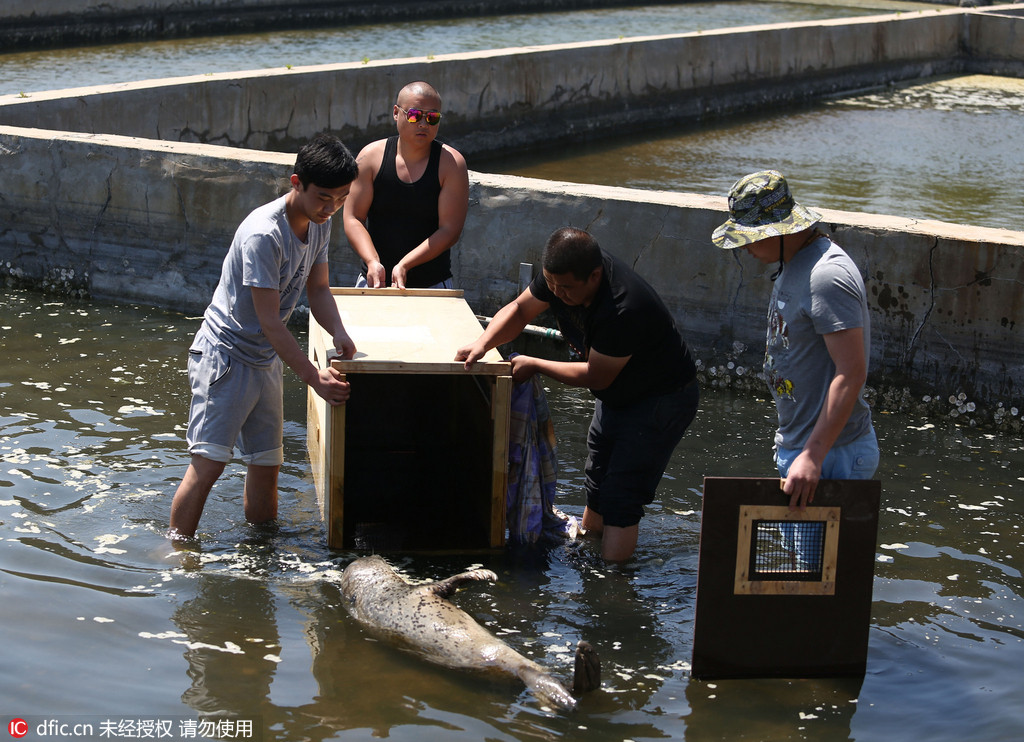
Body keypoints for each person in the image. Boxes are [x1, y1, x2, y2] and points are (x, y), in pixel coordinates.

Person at [456, 227, 699, 562]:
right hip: (619, 392)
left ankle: (612, 583)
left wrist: (537, 364)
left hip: (662, 398)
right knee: (597, 478)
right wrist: (484, 343)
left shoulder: (622, 308)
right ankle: (589, 556)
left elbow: (596, 376)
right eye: (551, 285)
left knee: (622, 495)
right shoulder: (560, 274)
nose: (557, 293)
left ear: (594, 276)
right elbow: (520, 310)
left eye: (566, 288)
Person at [169, 133, 359, 539]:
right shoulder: (264, 234)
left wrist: (339, 331)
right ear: (296, 183)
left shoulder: (319, 222)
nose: (332, 207)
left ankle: (261, 547)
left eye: (341, 198)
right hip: (226, 358)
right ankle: (177, 552)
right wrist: (314, 379)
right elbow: (271, 321)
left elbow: (319, 289)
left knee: (267, 462)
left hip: (264, 359)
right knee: (209, 464)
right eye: (324, 197)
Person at [711, 170, 879, 511]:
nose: (745, 248)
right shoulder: (793, 261)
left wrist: (813, 456)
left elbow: (851, 372)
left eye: (750, 237)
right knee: (802, 562)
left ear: (782, 231)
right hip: (803, 445)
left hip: (832, 455)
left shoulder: (826, 275)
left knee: (825, 564)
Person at [343, 80, 469, 289]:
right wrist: (373, 261)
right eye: (414, 115)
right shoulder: (370, 157)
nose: (423, 124)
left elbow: (449, 230)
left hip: (432, 284)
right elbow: (353, 217)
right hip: (374, 281)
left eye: (432, 117)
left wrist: (405, 264)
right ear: (396, 113)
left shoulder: (452, 164)